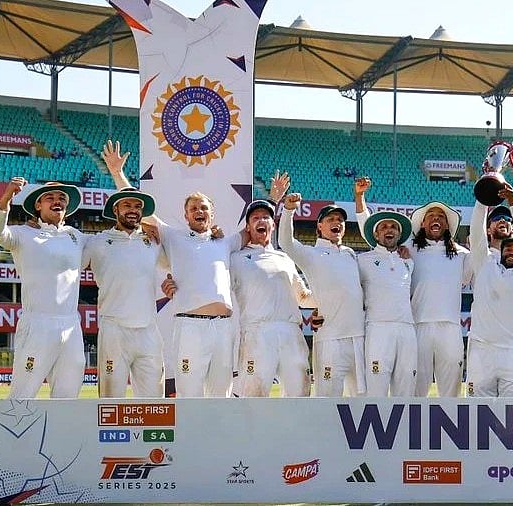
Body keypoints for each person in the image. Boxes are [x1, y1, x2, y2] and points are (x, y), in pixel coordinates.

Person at [101, 140, 253, 398]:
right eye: (193, 208)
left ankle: (221, 439)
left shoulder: (226, 241)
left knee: (221, 396)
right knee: (189, 396)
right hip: (190, 327)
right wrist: (118, 173)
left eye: (204, 208)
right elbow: (142, 209)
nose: (199, 211)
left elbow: (257, 229)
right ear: (186, 216)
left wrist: (275, 200)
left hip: (224, 328)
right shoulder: (174, 237)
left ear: (212, 215)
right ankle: (188, 440)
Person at [355, 177, 471, 397]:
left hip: (451, 327)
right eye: (431, 217)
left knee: (452, 391)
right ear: (423, 224)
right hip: (416, 327)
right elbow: (373, 235)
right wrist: (360, 200)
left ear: (447, 225)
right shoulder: (408, 249)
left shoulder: (462, 254)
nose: (435, 220)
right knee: (415, 392)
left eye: (440, 217)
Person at [0, 178, 87, 398]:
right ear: (38, 205)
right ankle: (10, 433)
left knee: (68, 396)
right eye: (50, 198)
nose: (57, 201)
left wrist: (143, 231)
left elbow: (109, 250)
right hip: (37, 323)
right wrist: (7, 197)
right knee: (22, 396)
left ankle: (61, 433)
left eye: (62, 198)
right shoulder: (22, 234)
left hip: (71, 325)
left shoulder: (77, 237)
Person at [83, 186, 167, 398]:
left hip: (148, 330)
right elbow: (65, 267)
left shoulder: (153, 241)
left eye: (138, 206)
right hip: (114, 331)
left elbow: (183, 261)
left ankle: (150, 433)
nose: (133, 210)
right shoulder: (97, 242)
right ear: (115, 209)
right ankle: (111, 434)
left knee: (155, 403)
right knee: (111, 402)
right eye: (127, 205)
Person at [279, 191, 365, 397]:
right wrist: (289, 210)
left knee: (364, 401)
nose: (337, 223)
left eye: (341, 220)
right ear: (319, 226)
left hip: (359, 338)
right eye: (331, 219)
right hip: (330, 340)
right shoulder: (311, 254)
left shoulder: (350, 254)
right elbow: (286, 243)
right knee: (327, 401)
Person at [231, 199, 315, 398]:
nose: (261, 221)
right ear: (248, 228)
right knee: (253, 397)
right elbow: (217, 287)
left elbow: (303, 297)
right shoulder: (236, 258)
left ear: (273, 224)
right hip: (257, 332)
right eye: (255, 218)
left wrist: (331, 297)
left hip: (291, 332)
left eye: (266, 217)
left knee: (300, 395)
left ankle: (293, 430)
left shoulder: (284, 258)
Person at [467, 183, 513, 397]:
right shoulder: (484, 263)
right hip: (482, 350)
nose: (512, 251)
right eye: (508, 248)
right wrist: (483, 197)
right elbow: (476, 232)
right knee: (476, 414)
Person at [357, 210, 417, 396]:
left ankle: (404, 426)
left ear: (400, 235)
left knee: (406, 391)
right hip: (378, 328)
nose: (388, 230)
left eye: (393, 227)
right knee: (376, 391)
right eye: (383, 227)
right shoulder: (362, 260)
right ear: (375, 234)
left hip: (407, 329)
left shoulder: (408, 261)